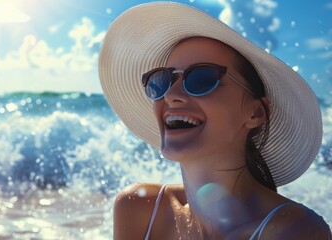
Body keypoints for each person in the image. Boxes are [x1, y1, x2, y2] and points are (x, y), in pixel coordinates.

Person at [98, 2, 332, 240]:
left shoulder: (294, 232)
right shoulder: (138, 207)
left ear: (255, 113)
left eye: (201, 79)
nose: (171, 95)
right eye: (162, 81)